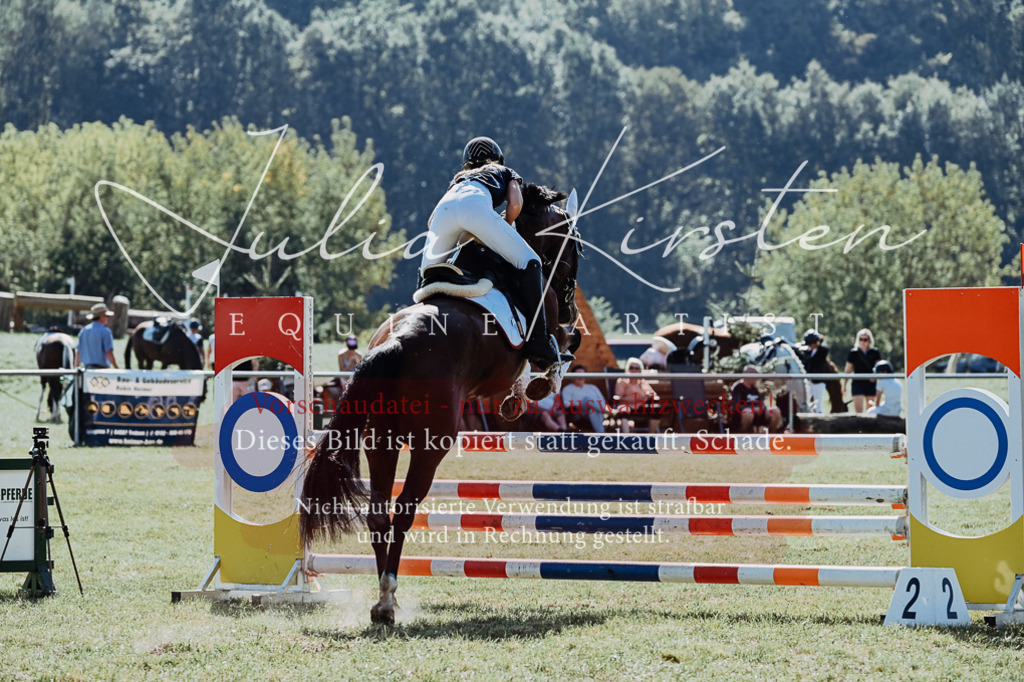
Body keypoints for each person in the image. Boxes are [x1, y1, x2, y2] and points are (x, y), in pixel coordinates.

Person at [421, 136, 559, 369]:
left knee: (426, 274)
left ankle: (421, 326)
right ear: (498, 158)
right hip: (475, 207)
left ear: (466, 164)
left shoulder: (458, 179)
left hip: (443, 214)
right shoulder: (504, 170)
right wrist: (504, 224)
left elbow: (431, 220)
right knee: (531, 262)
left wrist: (462, 233)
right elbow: (515, 204)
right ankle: (538, 341)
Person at [729, 366, 782, 433]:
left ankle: (770, 435)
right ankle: (742, 434)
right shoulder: (738, 387)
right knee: (748, 413)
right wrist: (752, 409)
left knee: (775, 410)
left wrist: (760, 408)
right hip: (743, 415)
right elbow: (736, 406)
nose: (756, 378)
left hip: (758, 414)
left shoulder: (754, 389)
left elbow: (761, 403)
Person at [613, 357, 659, 433]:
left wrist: (649, 395)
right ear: (628, 369)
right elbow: (619, 397)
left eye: (636, 368)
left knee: (656, 409)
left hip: (641, 406)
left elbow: (653, 393)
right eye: (631, 368)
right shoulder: (622, 381)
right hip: (627, 406)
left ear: (640, 370)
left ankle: (651, 437)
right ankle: (626, 438)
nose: (634, 370)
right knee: (623, 410)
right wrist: (637, 399)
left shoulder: (642, 381)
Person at [844, 328, 881, 413]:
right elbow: (848, 370)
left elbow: (879, 367)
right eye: (861, 339)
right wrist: (844, 386)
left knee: (870, 411)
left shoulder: (874, 352)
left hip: (870, 383)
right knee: (859, 411)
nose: (863, 341)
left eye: (865, 339)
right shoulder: (853, 353)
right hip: (858, 382)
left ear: (869, 340)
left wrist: (875, 376)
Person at [560, 364, 606, 433]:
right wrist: (584, 404)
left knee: (592, 410)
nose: (581, 377)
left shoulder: (593, 387)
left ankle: (601, 434)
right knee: (587, 399)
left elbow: (603, 402)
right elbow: (567, 405)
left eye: (583, 374)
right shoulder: (568, 389)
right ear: (572, 377)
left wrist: (592, 406)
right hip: (579, 414)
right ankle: (610, 412)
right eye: (578, 374)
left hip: (597, 413)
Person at [74, 302, 118, 369]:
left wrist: (75, 368)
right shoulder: (105, 331)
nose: (108, 318)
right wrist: (117, 368)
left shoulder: (84, 330)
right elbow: (109, 352)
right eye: (107, 316)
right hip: (101, 371)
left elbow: (79, 353)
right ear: (101, 316)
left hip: (87, 370)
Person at [797, 329, 831, 413]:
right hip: (808, 380)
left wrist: (820, 340)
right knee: (807, 401)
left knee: (818, 404)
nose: (810, 346)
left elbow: (825, 348)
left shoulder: (822, 351)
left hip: (818, 381)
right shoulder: (806, 352)